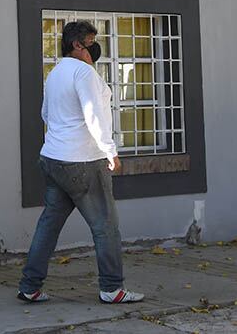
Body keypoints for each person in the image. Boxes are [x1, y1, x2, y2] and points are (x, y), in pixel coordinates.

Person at [17, 20, 145, 305]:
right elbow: (94, 115)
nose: (95, 48)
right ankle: (112, 288)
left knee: (48, 225)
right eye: (91, 41)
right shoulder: (84, 73)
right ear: (77, 44)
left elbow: (46, 114)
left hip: (53, 159)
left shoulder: (55, 73)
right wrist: (110, 150)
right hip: (84, 162)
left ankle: (29, 286)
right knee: (106, 226)